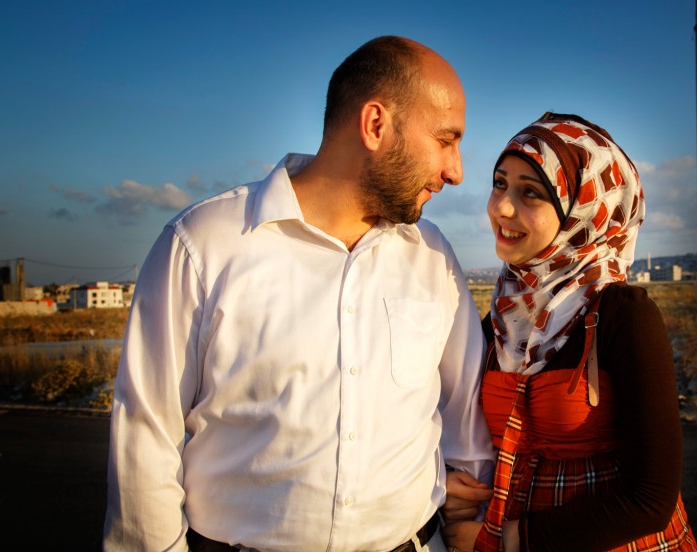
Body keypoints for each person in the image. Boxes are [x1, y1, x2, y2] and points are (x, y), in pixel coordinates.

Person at [104, 36, 495, 552]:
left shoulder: (432, 255)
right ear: (375, 125)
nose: (456, 170)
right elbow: (145, 444)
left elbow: (466, 417)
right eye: (446, 139)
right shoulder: (204, 245)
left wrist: (460, 503)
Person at [441, 113, 697, 551]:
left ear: (583, 212)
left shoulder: (624, 315)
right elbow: (456, 431)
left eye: (531, 193)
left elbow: (650, 498)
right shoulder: (499, 321)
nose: (502, 207)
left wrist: (509, 542)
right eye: (500, 183)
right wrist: (446, 482)